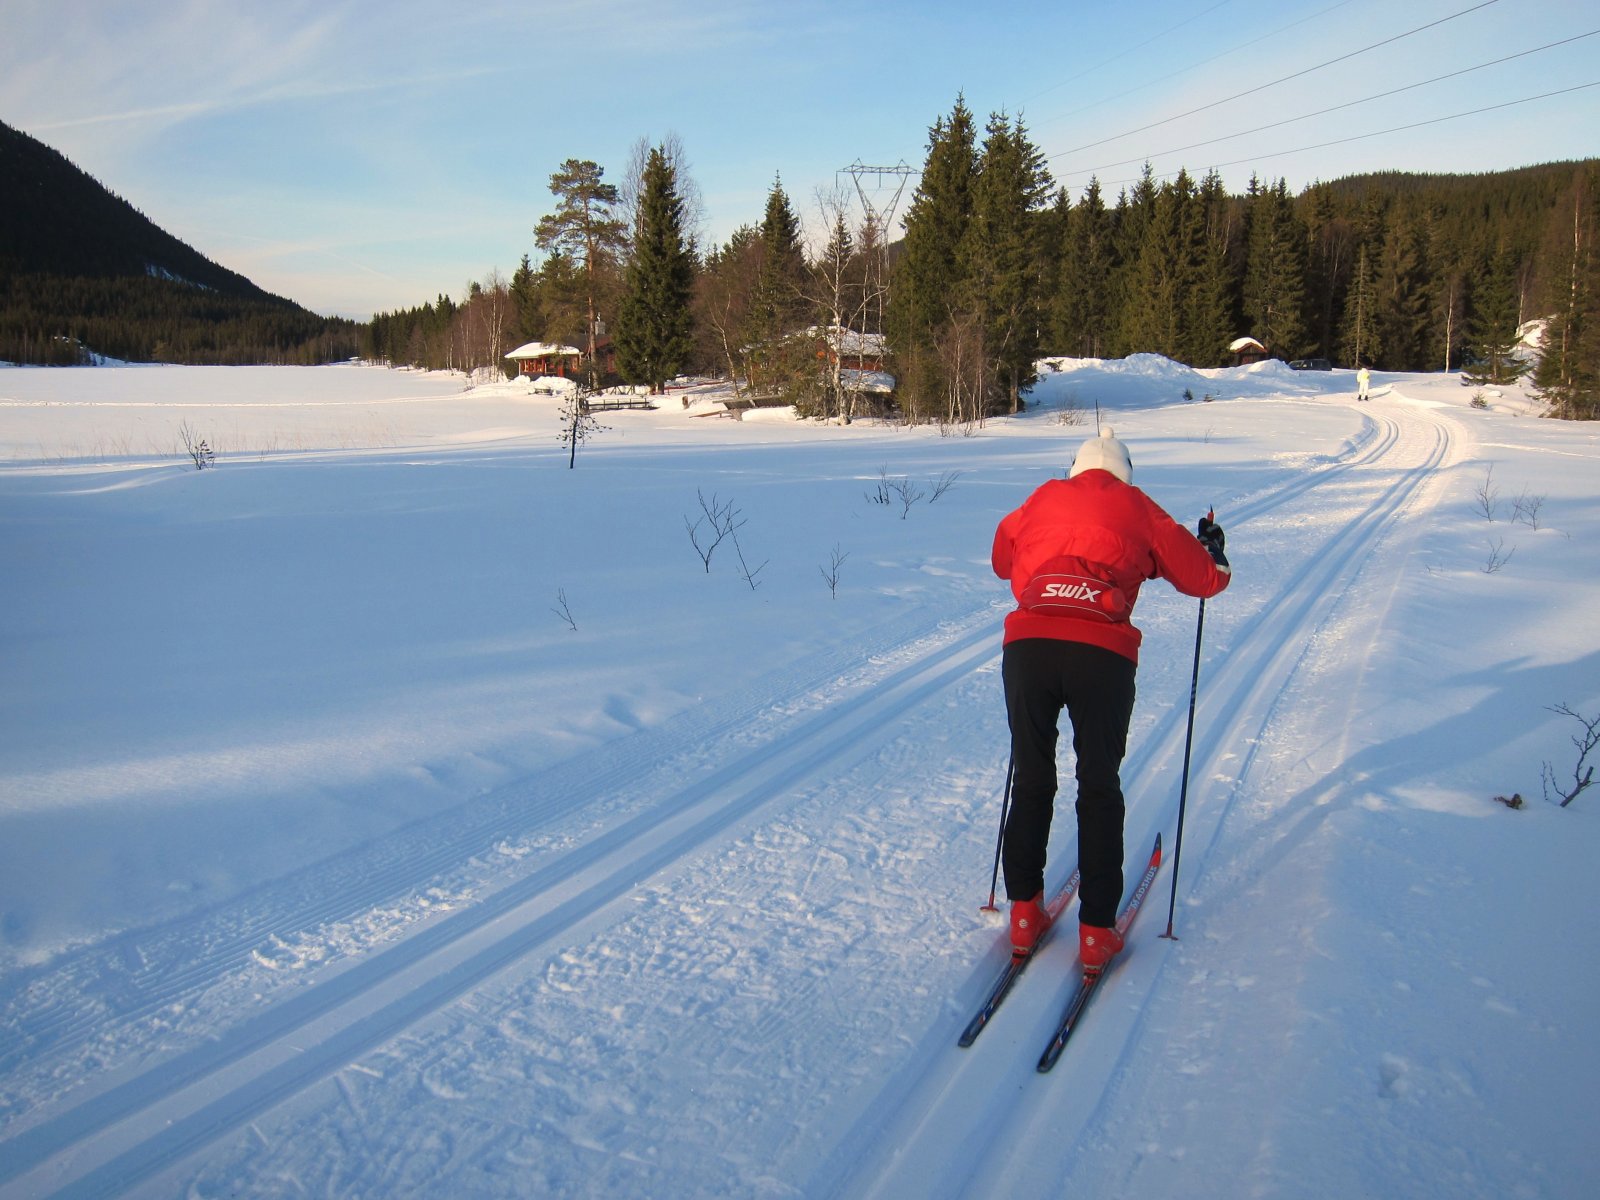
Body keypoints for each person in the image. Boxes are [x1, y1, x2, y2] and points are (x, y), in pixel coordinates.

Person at [990, 426, 1231, 976]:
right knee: (1099, 784)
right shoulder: (1139, 507)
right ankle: (1097, 931)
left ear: (1075, 468)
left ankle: (1024, 912)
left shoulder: (1042, 497)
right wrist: (1214, 550)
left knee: (1031, 776)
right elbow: (1202, 581)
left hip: (1029, 647)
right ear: (1125, 473)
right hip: (1102, 654)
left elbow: (1003, 561)